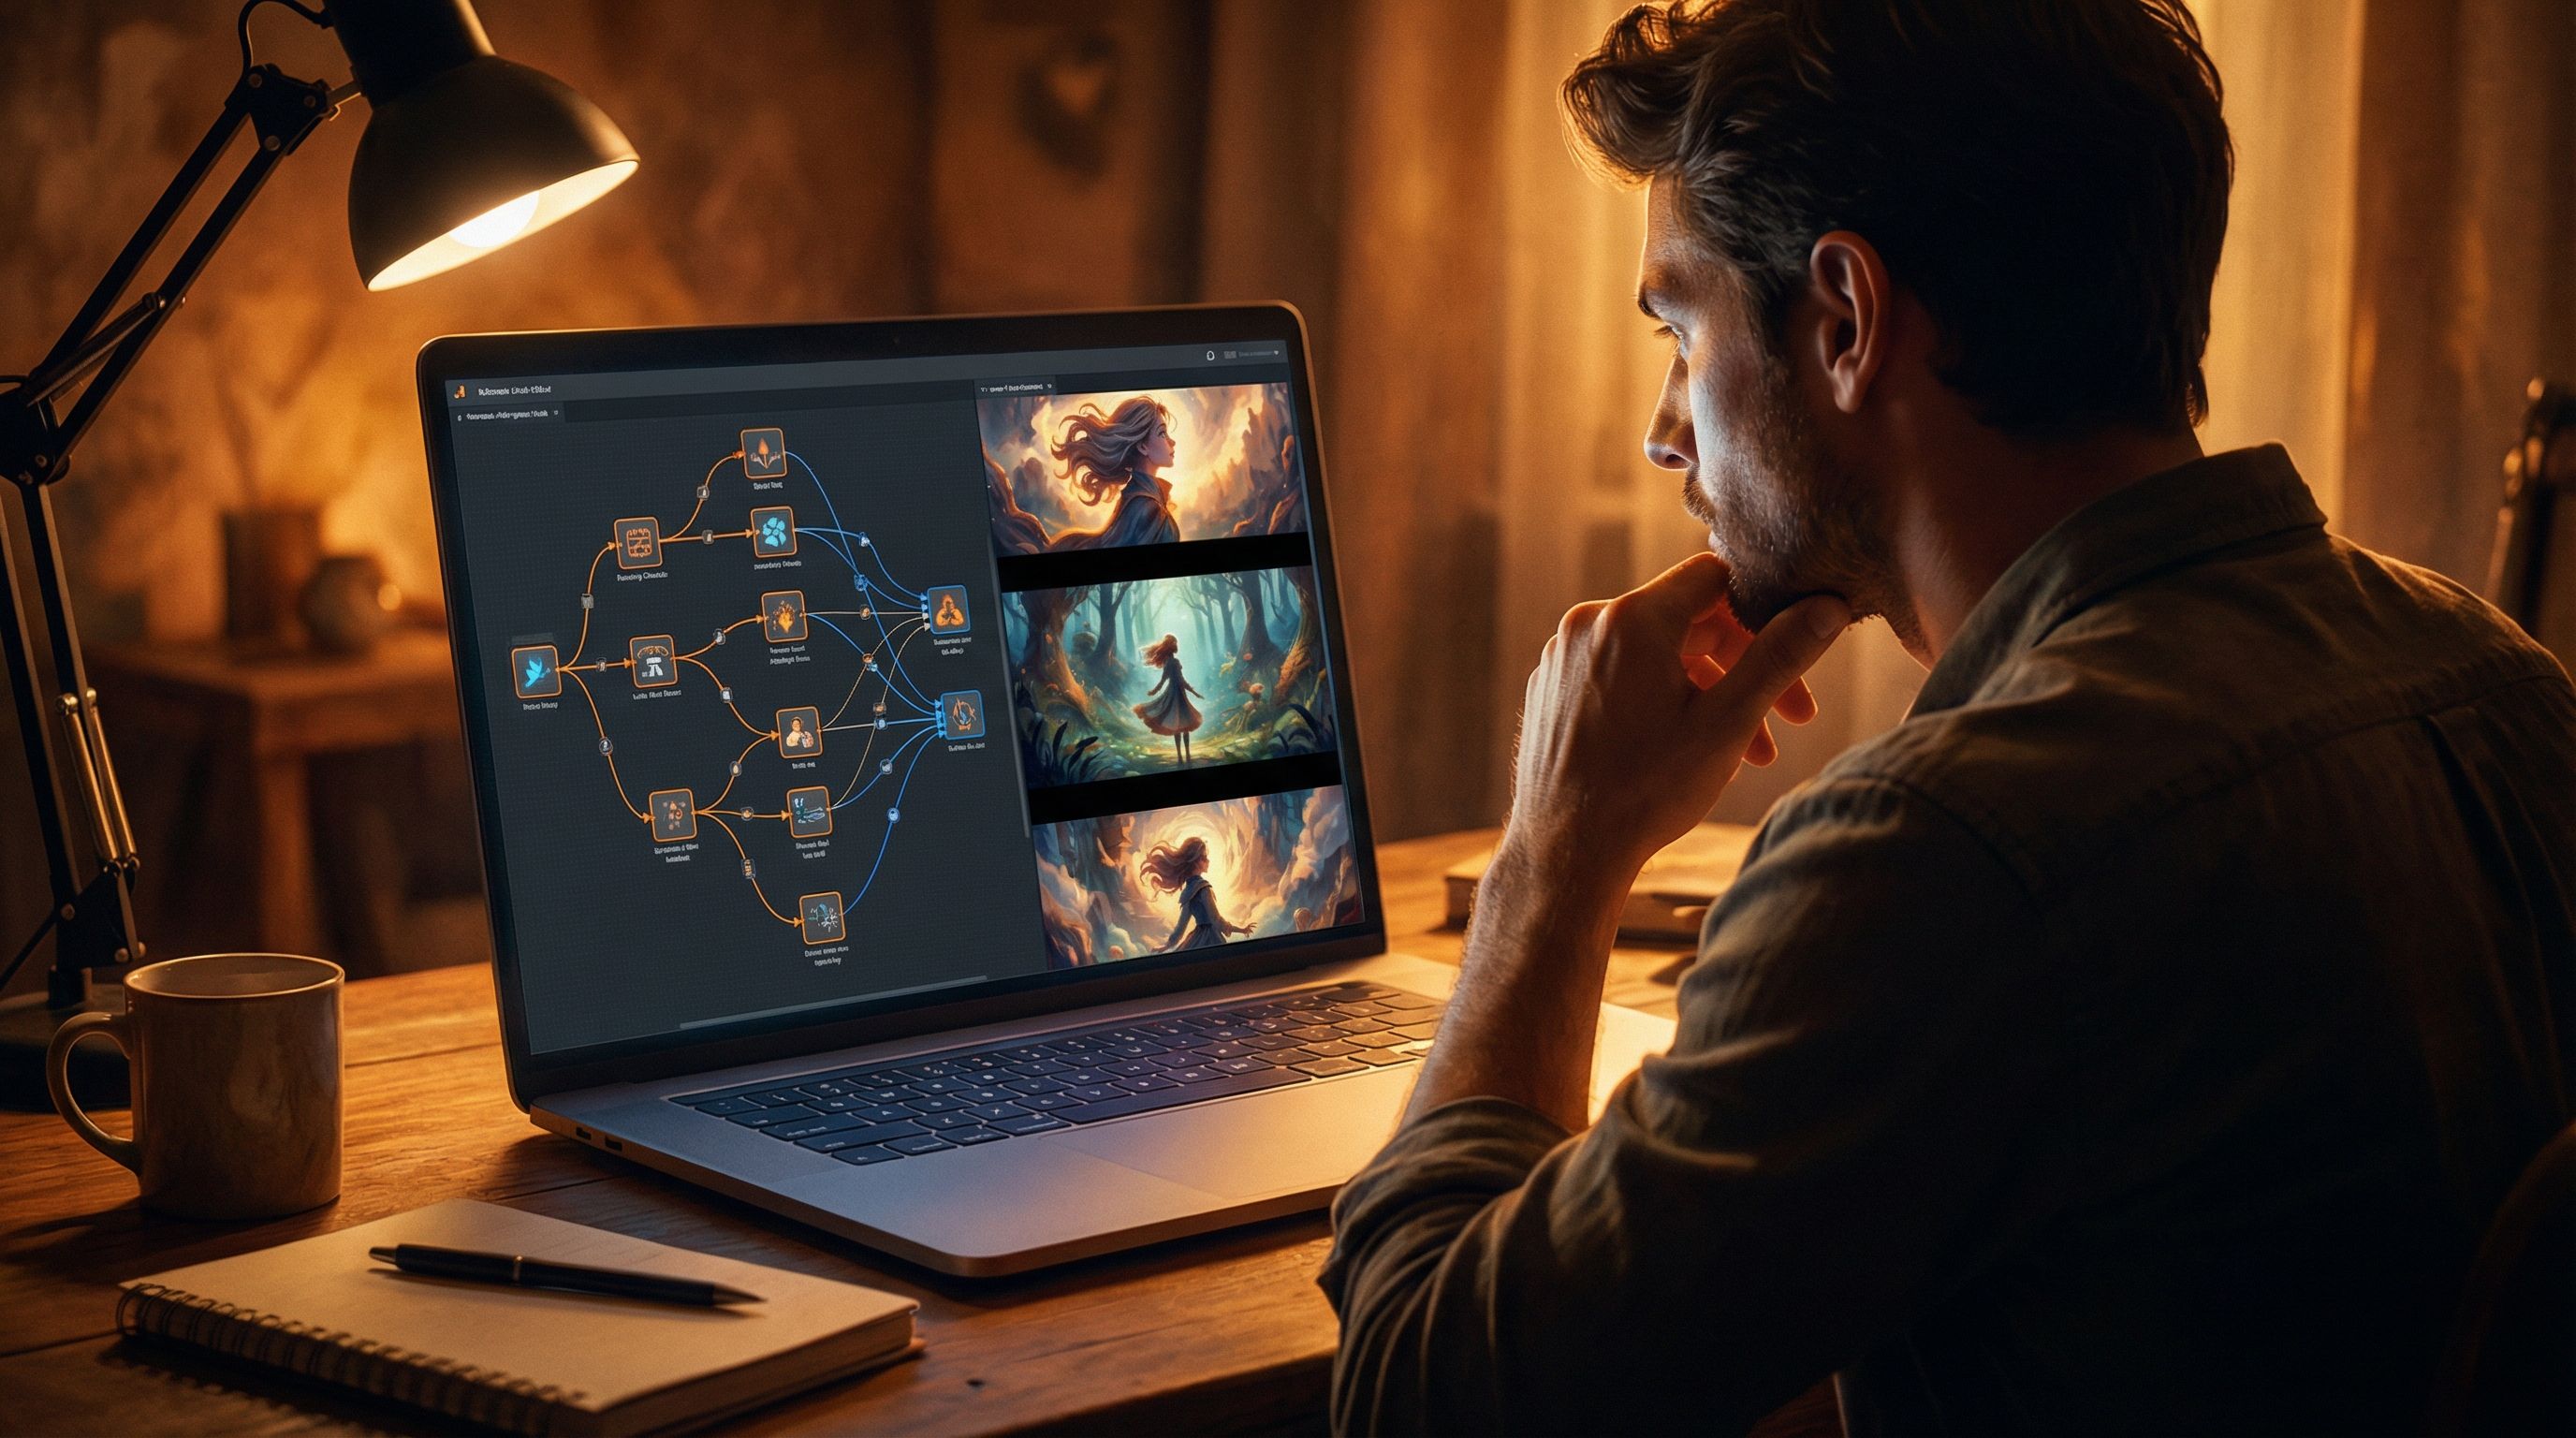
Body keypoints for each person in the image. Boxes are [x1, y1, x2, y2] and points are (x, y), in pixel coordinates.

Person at [1318, 3, 2576, 1435]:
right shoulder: (2501, 686)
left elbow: (1421, 1400)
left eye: (1680, 328)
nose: (1665, 429)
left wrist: (1552, 862)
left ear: (1846, 321)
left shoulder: (1944, 857)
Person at [993, 395, 1183, 552]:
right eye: (1162, 433)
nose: (1172, 441)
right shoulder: (1147, 508)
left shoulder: (1144, 502)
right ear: (1142, 446)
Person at [1139, 836, 1252, 950]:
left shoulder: (1188, 890)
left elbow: (1181, 926)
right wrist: (1241, 930)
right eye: (1204, 858)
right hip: (1211, 939)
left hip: (1196, 939)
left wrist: (1167, 946)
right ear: (1195, 862)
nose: (1208, 861)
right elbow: (1216, 920)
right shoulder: (1204, 888)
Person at [1133, 632, 1205, 767]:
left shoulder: (1167, 662)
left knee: (1177, 726)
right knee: (1184, 725)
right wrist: (1194, 693)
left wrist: (1155, 690)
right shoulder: (1174, 662)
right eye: (1175, 643)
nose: (1177, 645)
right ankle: (1186, 756)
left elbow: (1164, 679)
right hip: (1178, 694)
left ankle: (1181, 757)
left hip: (1173, 693)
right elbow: (1180, 681)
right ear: (1172, 647)